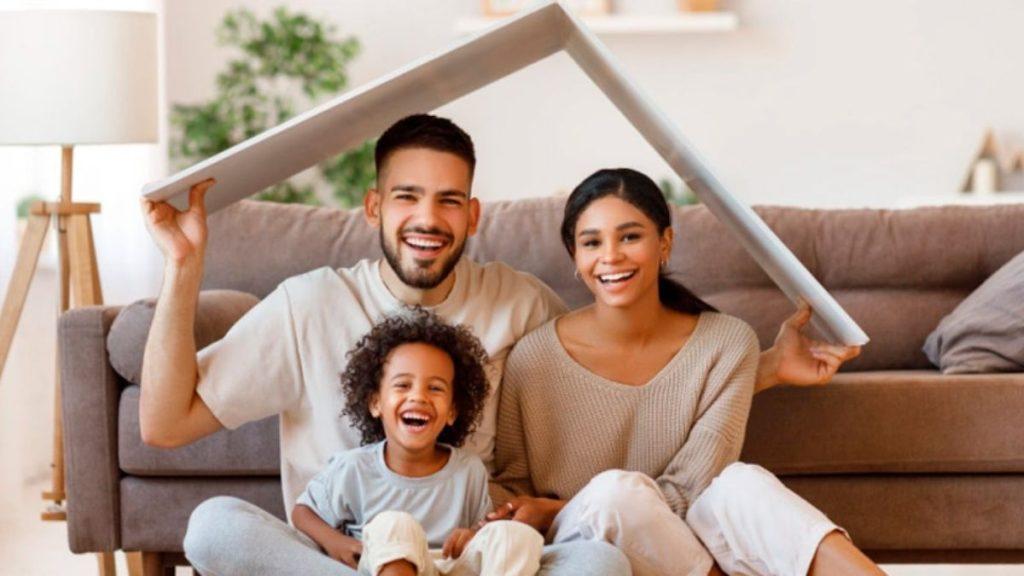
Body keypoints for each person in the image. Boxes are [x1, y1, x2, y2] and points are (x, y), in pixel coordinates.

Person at [140, 113, 858, 575]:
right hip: (349, 560)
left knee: (600, 567)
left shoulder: (519, 304)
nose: (428, 218)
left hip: (479, 561)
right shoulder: (308, 305)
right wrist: (183, 267)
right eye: (407, 197)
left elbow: (619, 370)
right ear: (372, 207)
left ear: (473, 213)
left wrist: (758, 369)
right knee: (213, 527)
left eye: (449, 199)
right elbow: (164, 424)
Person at [490, 168, 885, 576]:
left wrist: (560, 505)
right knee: (613, 495)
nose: (610, 256)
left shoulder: (727, 343)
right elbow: (513, 485)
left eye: (629, 237)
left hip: (684, 543)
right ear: (575, 255)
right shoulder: (534, 357)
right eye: (592, 242)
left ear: (665, 243)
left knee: (739, 484)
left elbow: (692, 490)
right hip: (584, 546)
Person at [293, 309, 544, 576]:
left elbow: (480, 536)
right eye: (403, 385)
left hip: (447, 567)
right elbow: (302, 512)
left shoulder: (468, 470)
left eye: (435, 388)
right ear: (376, 403)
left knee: (513, 536)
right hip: (385, 564)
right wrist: (336, 543)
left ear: (452, 411)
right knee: (394, 524)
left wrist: (471, 536)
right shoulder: (353, 468)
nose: (419, 397)